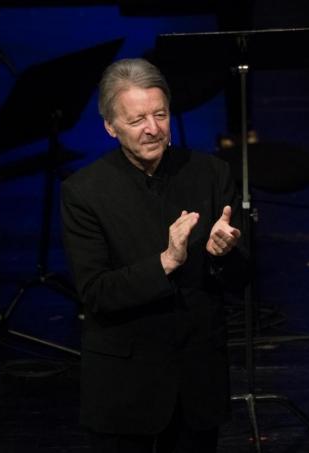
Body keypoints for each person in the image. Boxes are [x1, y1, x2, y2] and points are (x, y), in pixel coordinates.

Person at [61, 58, 246, 453]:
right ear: (110, 126)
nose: (152, 129)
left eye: (160, 115)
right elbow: (95, 292)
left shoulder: (211, 173)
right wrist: (165, 261)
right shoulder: (84, 192)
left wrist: (223, 254)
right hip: (125, 388)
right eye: (137, 120)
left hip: (198, 383)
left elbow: (243, 276)